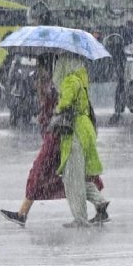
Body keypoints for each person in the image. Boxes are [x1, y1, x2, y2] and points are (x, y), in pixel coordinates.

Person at [0, 54, 106, 228]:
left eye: (40, 70)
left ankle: (23, 213)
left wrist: (49, 104)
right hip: (59, 135)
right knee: (70, 177)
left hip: (57, 137)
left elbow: (59, 108)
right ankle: (100, 204)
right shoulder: (62, 82)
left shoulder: (60, 85)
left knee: (40, 173)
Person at [51, 53, 109, 228]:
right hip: (85, 129)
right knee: (75, 176)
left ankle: (80, 218)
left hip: (75, 131)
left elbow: (65, 103)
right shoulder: (80, 79)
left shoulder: (70, 81)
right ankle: (99, 201)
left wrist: (57, 106)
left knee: (72, 179)